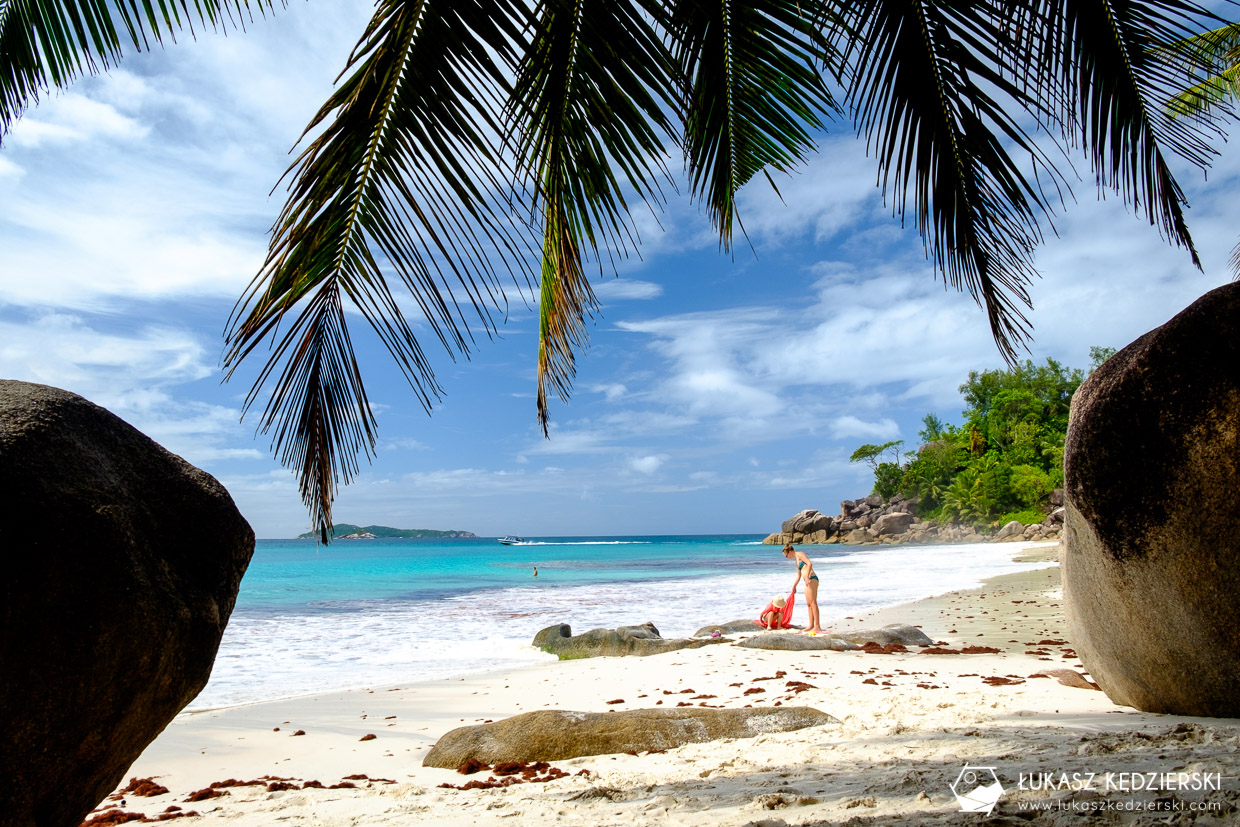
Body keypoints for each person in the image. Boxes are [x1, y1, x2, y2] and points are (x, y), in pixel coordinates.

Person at [783, 543, 824, 635]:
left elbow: (809, 563)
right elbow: (799, 575)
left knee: (813, 602)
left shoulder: (799, 554)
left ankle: (817, 626)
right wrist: (794, 586)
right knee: (808, 604)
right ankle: (811, 625)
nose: (787, 557)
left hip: (812, 579)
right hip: (806, 580)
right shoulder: (796, 561)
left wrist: (807, 577)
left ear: (790, 551)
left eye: (786, 556)